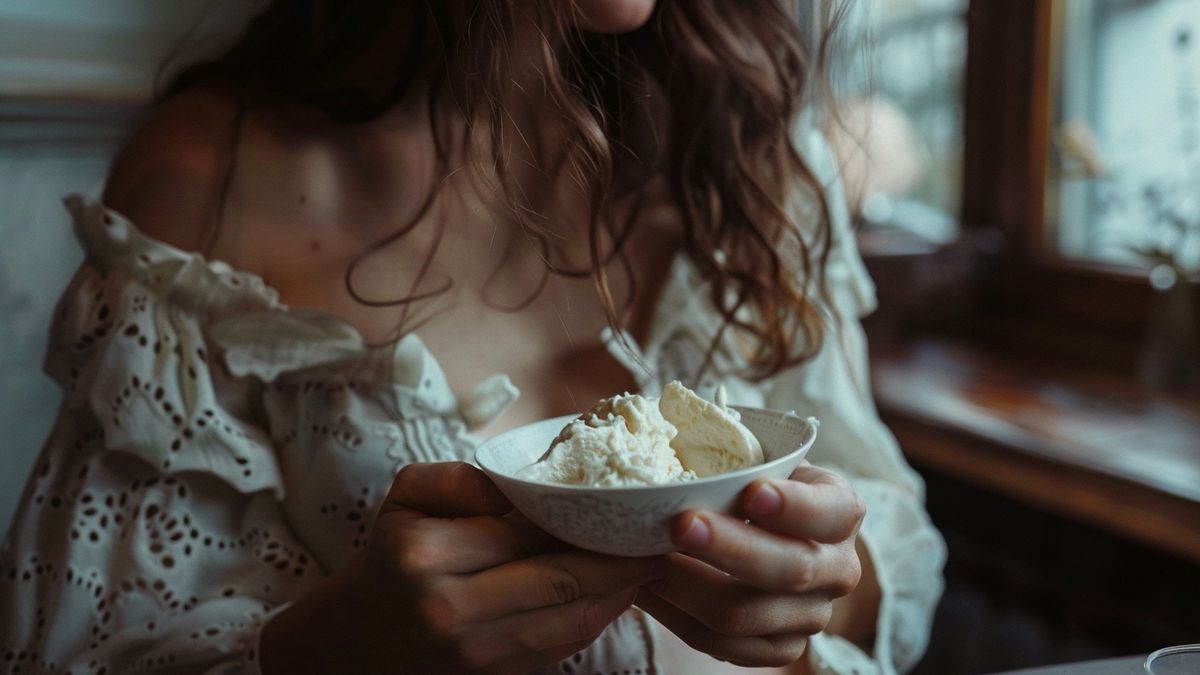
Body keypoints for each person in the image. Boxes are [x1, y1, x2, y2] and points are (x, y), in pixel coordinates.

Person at [0, 1, 945, 673]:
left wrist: (816, 585)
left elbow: (888, 548)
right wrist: (339, 653)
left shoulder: (745, 154)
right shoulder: (210, 190)